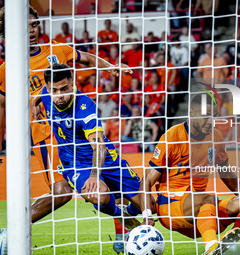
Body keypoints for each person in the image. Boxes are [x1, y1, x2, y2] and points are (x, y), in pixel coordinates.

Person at [0, 6, 132, 253]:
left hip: (78, 129)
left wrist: (110, 66)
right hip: (47, 137)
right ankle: (10, 234)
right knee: (61, 191)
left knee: (109, 174)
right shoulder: (9, 68)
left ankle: (123, 232)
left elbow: (87, 58)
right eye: (24, 26)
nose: (30, 30)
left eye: (33, 24)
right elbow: (2, 106)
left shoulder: (56, 50)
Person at [31, 64, 154, 246]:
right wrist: (34, 103)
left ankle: (129, 213)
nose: (60, 95)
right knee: (101, 195)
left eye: (64, 89)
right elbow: (41, 93)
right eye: (54, 90)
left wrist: (95, 175)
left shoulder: (86, 108)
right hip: (75, 163)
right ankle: (124, 219)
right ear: (49, 88)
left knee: (148, 202)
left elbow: (99, 147)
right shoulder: (48, 94)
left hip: (107, 159)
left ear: (73, 83)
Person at [139, 94, 240, 255]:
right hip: (171, 208)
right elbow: (146, 180)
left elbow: (225, 172)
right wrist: (147, 215)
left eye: (214, 117)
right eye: (205, 117)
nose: (211, 122)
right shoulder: (172, 137)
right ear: (191, 113)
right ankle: (211, 247)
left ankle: (225, 240)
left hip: (205, 213)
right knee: (208, 198)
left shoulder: (216, 136)